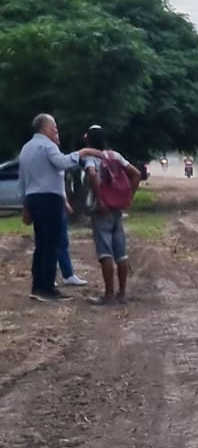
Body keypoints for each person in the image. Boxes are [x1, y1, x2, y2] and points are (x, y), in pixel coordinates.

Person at [17, 113, 84, 303]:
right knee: (52, 244)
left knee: (41, 244)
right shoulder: (47, 146)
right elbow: (61, 162)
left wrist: (25, 204)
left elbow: (22, 180)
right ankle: (47, 288)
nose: (56, 130)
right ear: (45, 128)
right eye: (54, 127)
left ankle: (38, 285)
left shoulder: (26, 148)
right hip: (48, 199)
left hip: (34, 199)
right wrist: (80, 154)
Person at [80, 124, 143, 305]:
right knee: (120, 253)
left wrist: (100, 200)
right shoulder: (115, 155)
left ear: (89, 140)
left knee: (105, 253)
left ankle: (108, 294)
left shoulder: (91, 158)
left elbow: (92, 175)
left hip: (102, 210)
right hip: (117, 208)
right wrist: (128, 197)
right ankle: (122, 294)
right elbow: (136, 174)